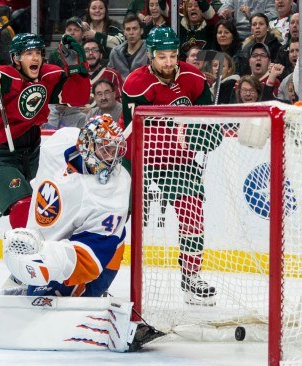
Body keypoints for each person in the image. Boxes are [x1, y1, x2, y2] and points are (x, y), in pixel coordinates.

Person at [122, 26, 223, 304]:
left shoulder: (194, 78)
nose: (168, 62)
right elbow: (136, 131)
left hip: (179, 161)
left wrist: (207, 135)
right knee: (117, 216)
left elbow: (205, 121)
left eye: (172, 56)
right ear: (150, 56)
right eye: (162, 56)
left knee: (193, 213)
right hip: (139, 157)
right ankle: (98, 271)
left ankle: (191, 276)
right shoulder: (135, 83)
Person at [2, 114, 130, 298]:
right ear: (88, 143)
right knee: (31, 299)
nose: (112, 159)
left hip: (96, 261)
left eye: (115, 152)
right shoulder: (61, 142)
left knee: (44, 302)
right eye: (106, 149)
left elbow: (91, 259)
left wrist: (47, 261)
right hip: (51, 247)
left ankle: (94, 293)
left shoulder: (113, 191)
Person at [0, 33, 90, 229]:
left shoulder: (47, 76)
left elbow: (78, 97)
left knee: (58, 197)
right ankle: (25, 250)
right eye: (28, 53)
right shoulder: (6, 76)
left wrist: (78, 70)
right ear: (16, 59)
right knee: (24, 206)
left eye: (38, 53)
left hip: (32, 153)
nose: (35, 58)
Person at [107, 14, 148, 81]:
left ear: (141, 31)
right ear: (124, 32)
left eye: (134, 29)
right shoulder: (115, 53)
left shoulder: (149, 50)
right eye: (128, 29)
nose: (131, 33)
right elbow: (110, 77)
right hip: (121, 90)